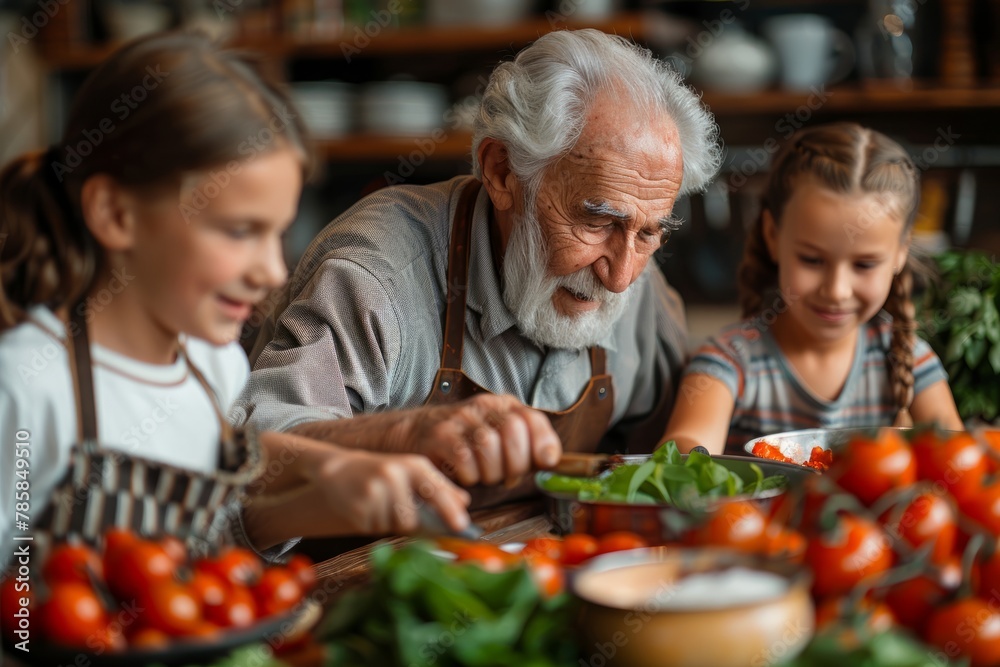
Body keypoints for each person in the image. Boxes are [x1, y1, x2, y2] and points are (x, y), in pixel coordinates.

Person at [0, 31, 471, 567]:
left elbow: (207, 467)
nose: (272, 272)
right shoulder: (26, 388)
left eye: (277, 235)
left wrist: (336, 466)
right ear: (115, 213)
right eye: (239, 231)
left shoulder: (212, 364)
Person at [233, 29, 722, 498]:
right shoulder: (378, 275)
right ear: (502, 172)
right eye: (595, 221)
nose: (619, 279)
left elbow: (673, 444)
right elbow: (252, 462)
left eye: (649, 232)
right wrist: (400, 435)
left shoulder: (633, 277)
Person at [664, 123, 964, 456]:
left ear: (901, 252)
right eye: (812, 260)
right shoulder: (727, 362)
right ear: (772, 236)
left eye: (864, 265)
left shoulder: (910, 359)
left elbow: (958, 462)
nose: (836, 290)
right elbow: (684, 453)